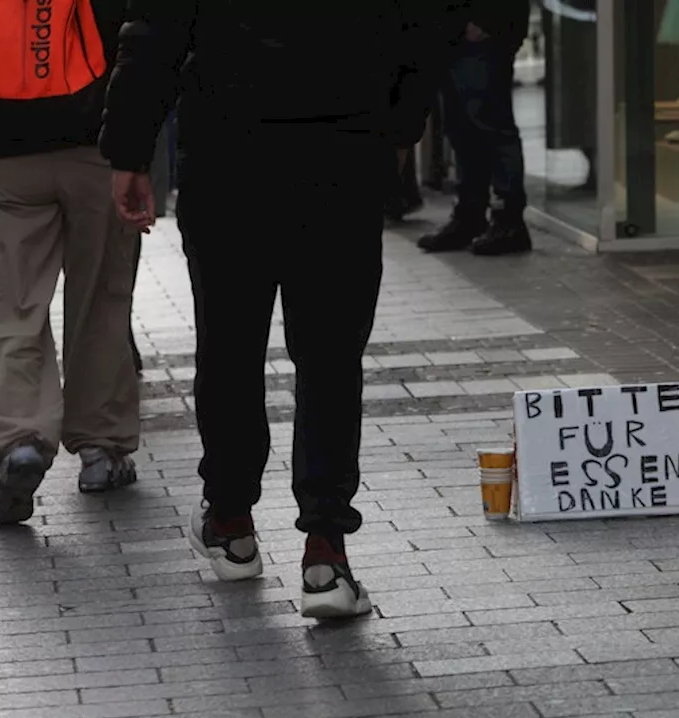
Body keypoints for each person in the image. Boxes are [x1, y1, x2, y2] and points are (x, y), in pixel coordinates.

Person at [100, 4, 460, 619]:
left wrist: (130, 152)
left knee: (230, 343)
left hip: (227, 150)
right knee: (330, 355)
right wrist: (397, 129)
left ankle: (232, 520)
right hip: (343, 150)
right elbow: (424, 25)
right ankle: (325, 550)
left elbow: (155, 32)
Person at [0, 0, 140, 525]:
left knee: (9, 307)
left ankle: (16, 440)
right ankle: (102, 450)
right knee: (100, 298)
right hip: (97, 147)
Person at [419, 0, 533, 256]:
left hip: (481, 34)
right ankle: (470, 216)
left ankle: (508, 220)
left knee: (491, 127)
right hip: (454, 34)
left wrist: (487, 21)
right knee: (462, 130)